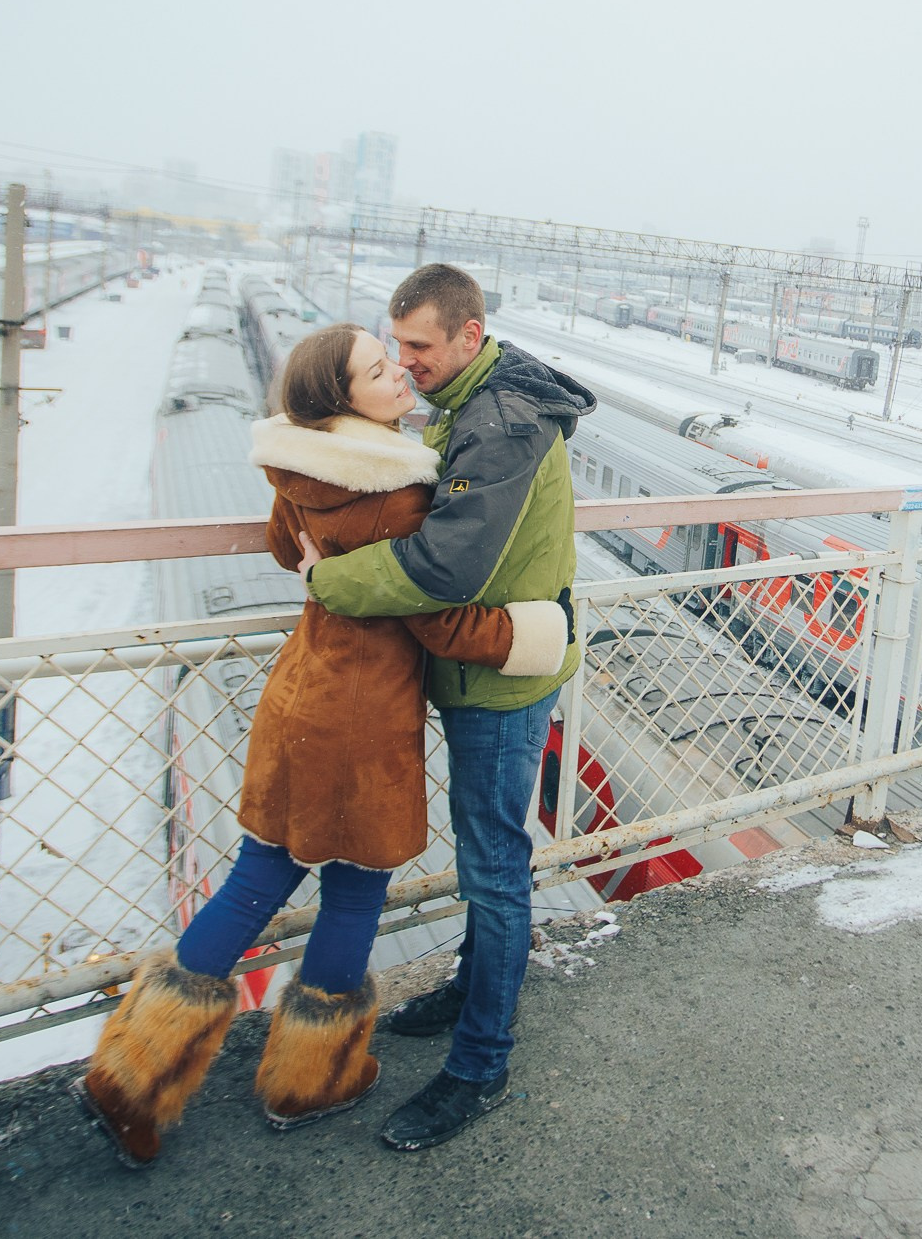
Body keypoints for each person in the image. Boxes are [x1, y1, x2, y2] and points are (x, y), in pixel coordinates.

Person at [77, 321, 568, 1169]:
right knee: (351, 895)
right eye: (380, 370)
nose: (400, 375)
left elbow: (284, 547)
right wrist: (535, 635)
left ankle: (130, 1071)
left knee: (254, 880)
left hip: (295, 697)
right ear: (345, 399)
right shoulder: (400, 491)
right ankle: (310, 1081)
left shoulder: (300, 467)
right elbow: (436, 614)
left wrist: (322, 570)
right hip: (361, 723)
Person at [297, 262, 593, 1152]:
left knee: (495, 867)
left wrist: (329, 577)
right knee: (488, 857)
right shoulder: (480, 395)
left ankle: (481, 1065)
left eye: (420, 347)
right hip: (484, 664)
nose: (408, 362)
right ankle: (475, 987)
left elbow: (445, 565)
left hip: (498, 680)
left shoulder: (498, 419)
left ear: (470, 334)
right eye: (398, 347)